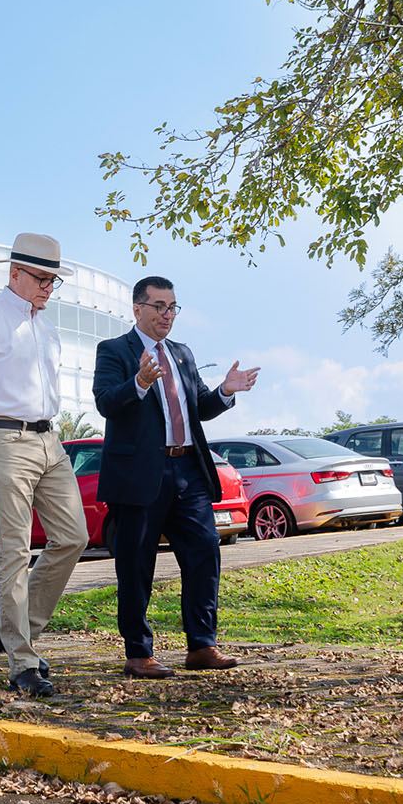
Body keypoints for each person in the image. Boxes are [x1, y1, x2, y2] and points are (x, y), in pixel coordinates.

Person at [0, 232, 89, 699]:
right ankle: (22, 661)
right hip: (3, 437)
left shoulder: (44, 328)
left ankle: (16, 627)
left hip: (50, 438)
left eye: (54, 281)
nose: (49, 288)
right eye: (43, 279)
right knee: (14, 547)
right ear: (15, 275)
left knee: (73, 537)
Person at [92, 275, 259, 679]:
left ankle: (202, 646)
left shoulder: (182, 353)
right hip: (139, 476)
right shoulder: (115, 350)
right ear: (138, 309)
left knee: (205, 553)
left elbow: (198, 405)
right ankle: (139, 653)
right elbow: (106, 403)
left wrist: (224, 392)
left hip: (188, 471)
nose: (167, 315)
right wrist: (140, 382)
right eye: (159, 307)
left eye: (172, 308)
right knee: (136, 565)